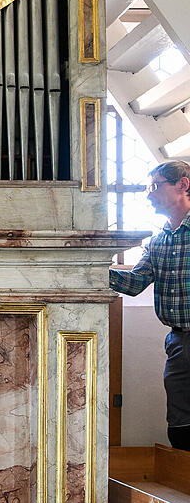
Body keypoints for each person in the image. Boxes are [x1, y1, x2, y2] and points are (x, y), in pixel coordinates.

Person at [110, 158, 190, 451]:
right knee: (181, 420)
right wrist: (89, 268)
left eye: (155, 186)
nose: (148, 194)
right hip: (180, 339)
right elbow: (134, 284)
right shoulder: (158, 242)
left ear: (183, 185)